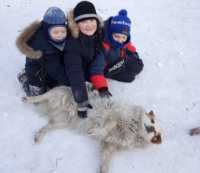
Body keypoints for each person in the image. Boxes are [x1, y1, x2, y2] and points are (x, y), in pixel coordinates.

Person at [64, 1, 112, 119]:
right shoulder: (73, 43)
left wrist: (101, 84)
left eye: (92, 20)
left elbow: (100, 56)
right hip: (71, 70)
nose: (89, 25)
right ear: (76, 24)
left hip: (88, 64)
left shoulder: (98, 33)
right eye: (84, 21)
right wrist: (81, 100)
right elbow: (75, 72)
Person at [16, 7, 69, 96]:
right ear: (46, 31)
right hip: (37, 73)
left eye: (62, 31)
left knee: (55, 84)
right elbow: (56, 71)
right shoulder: (42, 46)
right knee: (37, 94)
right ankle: (25, 79)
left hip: (50, 68)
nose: (60, 35)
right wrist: (71, 84)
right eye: (55, 32)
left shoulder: (62, 40)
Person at [91, 9, 144, 86]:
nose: (120, 40)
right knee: (130, 77)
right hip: (108, 67)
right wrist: (102, 86)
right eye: (116, 36)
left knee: (138, 66)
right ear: (110, 33)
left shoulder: (124, 40)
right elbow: (96, 69)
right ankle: (122, 64)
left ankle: (125, 61)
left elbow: (127, 44)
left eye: (123, 37)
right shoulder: (104, 46)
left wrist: (133, 53)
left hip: (119, 57)